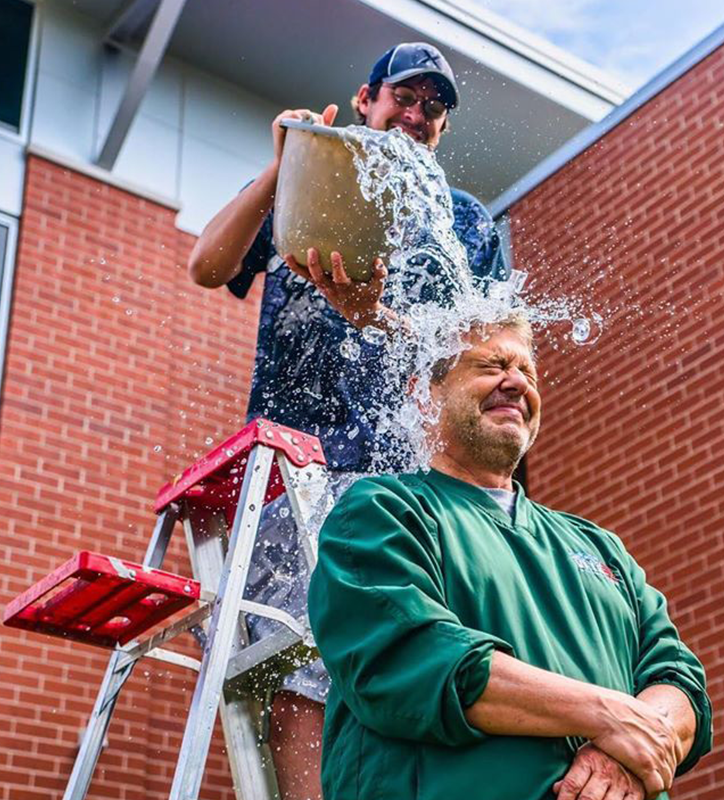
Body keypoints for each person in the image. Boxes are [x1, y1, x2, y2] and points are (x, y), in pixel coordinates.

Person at [186, 42, 508, 799]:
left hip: (405, 477)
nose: (418, 115)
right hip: (294, 467)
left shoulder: (464, 221)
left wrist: (377, 317)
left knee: (408, 663)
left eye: (435, 107)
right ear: (366, 99)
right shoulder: (316, 168)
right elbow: (206, 264)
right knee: (300, 658)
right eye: (405, 97)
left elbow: (479, 353)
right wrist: (280, 164)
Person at [308, 316, 712, 800]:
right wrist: (607, 714)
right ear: (424, 395)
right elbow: (411, 657)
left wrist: (622, 751)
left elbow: (678, 680)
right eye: (492, 365)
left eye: (528, 373)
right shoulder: (384, 510)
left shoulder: (601, 546)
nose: (518, 382)